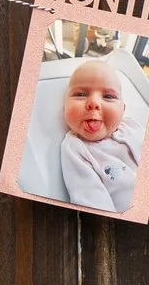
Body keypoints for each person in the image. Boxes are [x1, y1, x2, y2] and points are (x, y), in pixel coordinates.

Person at [53, 59, 143, 213]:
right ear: (64, 107)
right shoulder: (75, 148)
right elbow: (91, 201)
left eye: (108, 96)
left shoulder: (132, 126)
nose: (94, 103)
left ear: (123, 109)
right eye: (80, 94)